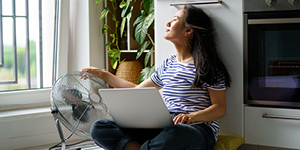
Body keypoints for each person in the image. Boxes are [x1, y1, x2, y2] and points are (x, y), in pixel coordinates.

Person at [81, 5, 231, 150]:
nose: (168, 22)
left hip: (196, 128)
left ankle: (138, 146)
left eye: (175, 19)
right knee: (100, 127)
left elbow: (220, 108)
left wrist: (192, 116)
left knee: (176, 133)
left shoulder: (207, 65)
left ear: (188, 30)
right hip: (162, 125)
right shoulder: (167, 64)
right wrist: (103, 74)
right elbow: (137, 90)